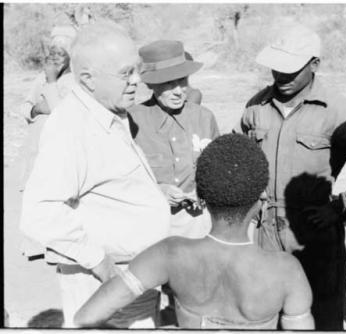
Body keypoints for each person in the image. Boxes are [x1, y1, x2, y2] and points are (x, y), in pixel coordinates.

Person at [234, 24, 346, 330]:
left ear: (314, 65)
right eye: (276, 68)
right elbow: (238, 158)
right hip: (265, 234)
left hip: (315, 236)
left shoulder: (337, 110)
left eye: (290, 70)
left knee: (320, 318)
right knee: (267, 317)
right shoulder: (255, 107)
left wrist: (341, 207)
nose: (280, 77)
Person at [74, 134, 315, 330]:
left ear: (200, 197)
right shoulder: (286, 270)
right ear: (261, 197)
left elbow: (86, 317)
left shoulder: (169, 254)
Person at [20, 22, 171, 328]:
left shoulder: (108, 111)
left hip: (131, 276)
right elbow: (40, 213)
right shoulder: (72, 128)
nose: (137, 80)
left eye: (137, 70)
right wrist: (102, 265)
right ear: (88, 78)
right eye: (125, 73)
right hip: (106, 283)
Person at [129, 40, 219, 239]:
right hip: (150, 225)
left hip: (198, 225)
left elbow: (218, 170)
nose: (178, 91)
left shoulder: (204, 118)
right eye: (168, 83)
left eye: (182, 81)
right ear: (151, 84)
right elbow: (122, 180)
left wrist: (205, 191)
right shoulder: (132, 121)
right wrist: (157, 191)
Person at [18, 25, 77, 190]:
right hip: (34, 153)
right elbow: (25, 106)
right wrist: (35, 110)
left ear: (71, 56)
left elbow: (60, 111)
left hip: (60, 158)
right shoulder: (40, 78)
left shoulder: (75, 81)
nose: (55, 58)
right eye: (52, 53)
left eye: (60, 54)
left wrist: (51, 82)